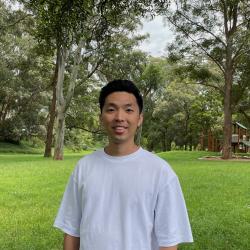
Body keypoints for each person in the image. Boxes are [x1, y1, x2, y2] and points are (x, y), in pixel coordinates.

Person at [54, 79, 193, 250]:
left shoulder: (161, 172)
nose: (120, 117)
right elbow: (71, 230)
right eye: (111, 110)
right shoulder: (84, 168)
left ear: (139, 118)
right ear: (101, 117)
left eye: (128, 110)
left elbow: (169, 241)